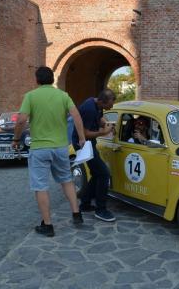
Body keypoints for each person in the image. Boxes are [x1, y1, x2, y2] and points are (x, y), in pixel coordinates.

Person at [12, 66, 86, 237]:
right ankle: (76, 213)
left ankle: (48, 225)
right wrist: (81, 137)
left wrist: (16, 139)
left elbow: (22, 119)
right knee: (67, 180)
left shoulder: (31, 96)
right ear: (52, 79)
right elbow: (76, 116)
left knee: (41, 186)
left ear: (37, 80)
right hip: (60, 147)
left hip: (39, 149)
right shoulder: (63, 95)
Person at [72, 89, 116, 222]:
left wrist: (107, 124)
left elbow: (99, 118)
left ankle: (85, 204)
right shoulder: (89, 109)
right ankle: (101, 209)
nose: (111, 107)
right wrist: (104, 132)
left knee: (97, 173)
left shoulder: (96, 104)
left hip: (89, 144)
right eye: (110, 104)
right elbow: (84, 133)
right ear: (102, 101)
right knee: (104, 174)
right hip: (83, 144)